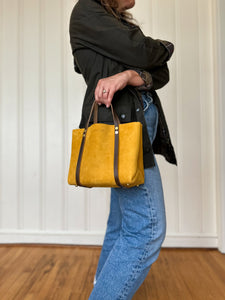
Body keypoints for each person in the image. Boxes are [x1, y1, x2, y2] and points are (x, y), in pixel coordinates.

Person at [69, 0, 177, 299]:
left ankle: (102, 287)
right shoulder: (87, 10)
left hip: (136, 126)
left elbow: (161, 75)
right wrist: (164, 47)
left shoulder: (116, 23)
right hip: (124, 128)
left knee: (121, 223)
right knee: (146, 230)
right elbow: (146, 53)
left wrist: (129, 76)